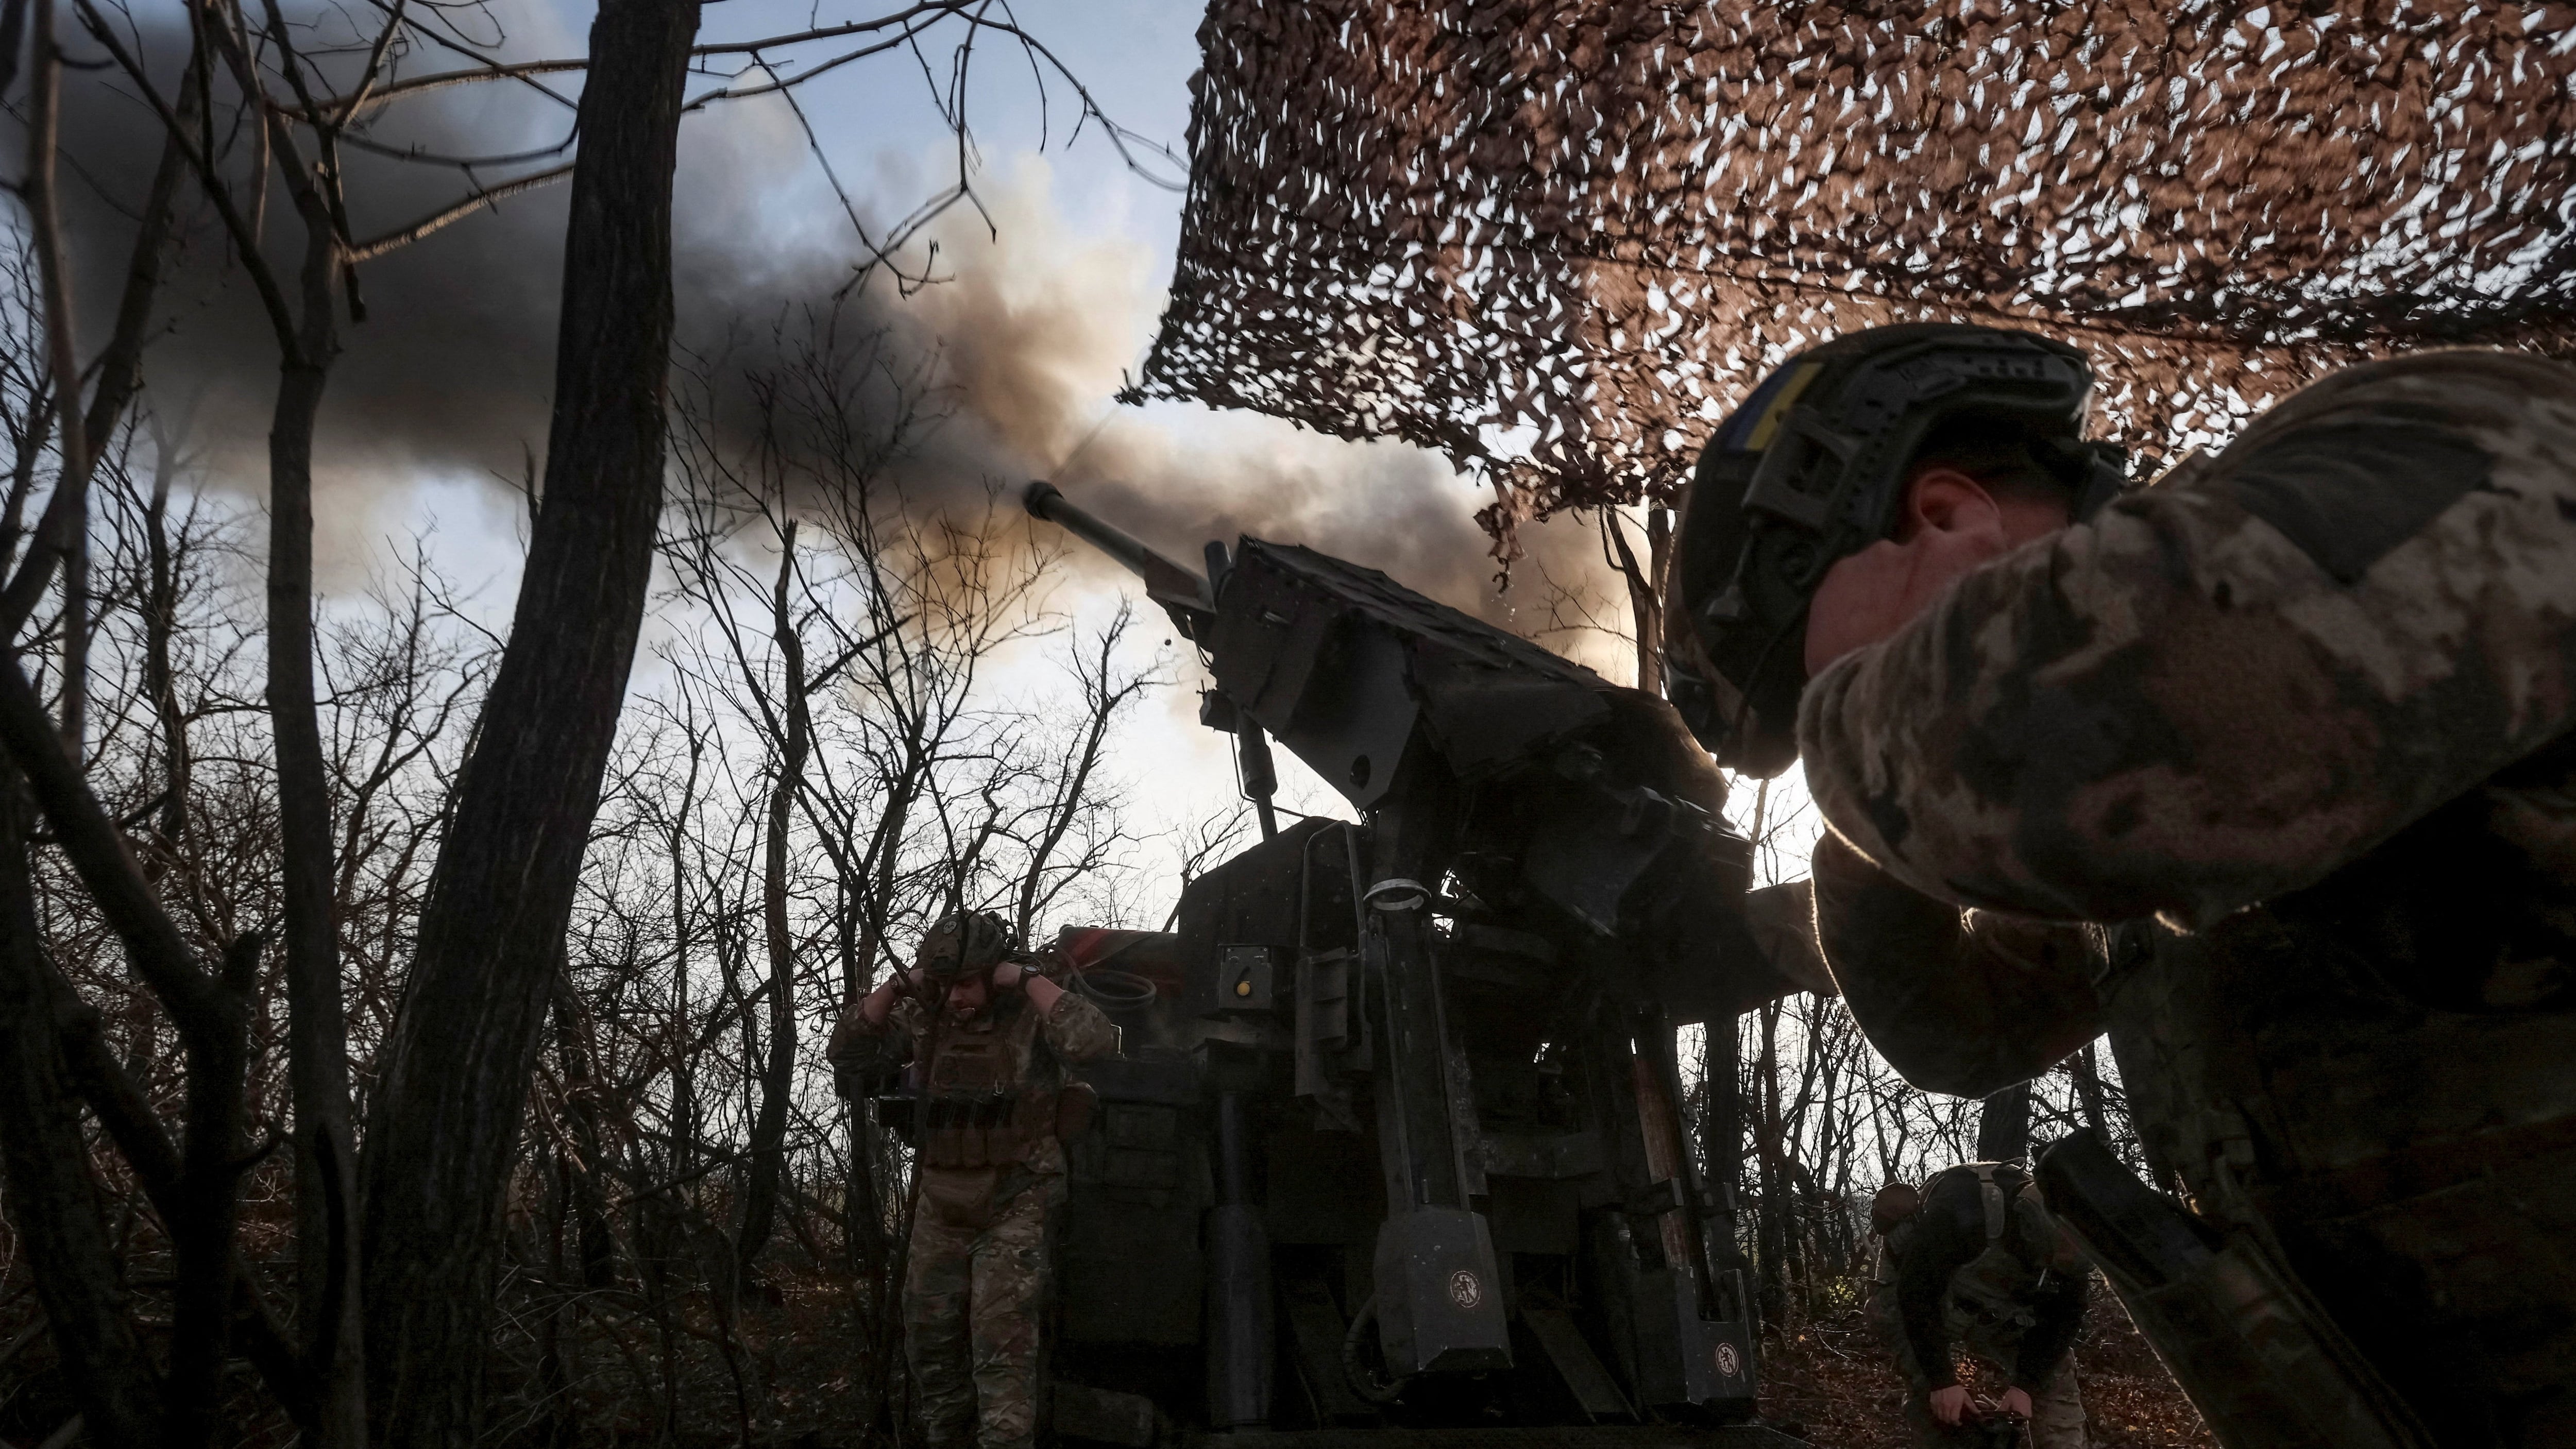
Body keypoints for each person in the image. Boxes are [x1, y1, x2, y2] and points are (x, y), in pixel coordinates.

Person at [1664, 323, 2576, 1446]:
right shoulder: (2136, 822)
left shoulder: (2430, 425)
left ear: (1944, 515)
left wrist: (1870, 728)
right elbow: (1959, 1028)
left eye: (1843, 693)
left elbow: (2125, 719)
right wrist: (1870, 835)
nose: (1841, 746)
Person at [828, 910, 1119, 1449]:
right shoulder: (924, 1016)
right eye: (944, 984)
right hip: (942, 1201)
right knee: (930, 1342)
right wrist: (898, 986)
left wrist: (1028, 981)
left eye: (965, 982)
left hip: (1016, 1198)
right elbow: (846, 1054)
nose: (955, 996)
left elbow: (1096, 1042)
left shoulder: (1028, 1014)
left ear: (993, 973)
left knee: (1001, 1350)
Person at [1866, 1164, 2090, 1449]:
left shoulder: (2076, 1234)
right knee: (1936, 1398)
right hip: (1922, 1295)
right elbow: (1917, 1295)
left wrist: (2025, 1387)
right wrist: (1942, 1381)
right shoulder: (1961, 1210)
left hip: (2000, 1308)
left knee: (2056, 1378)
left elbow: (2065, 1318)